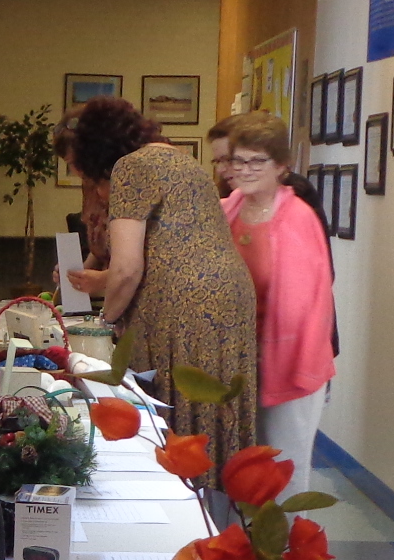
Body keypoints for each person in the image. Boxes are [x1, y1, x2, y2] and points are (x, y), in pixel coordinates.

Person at [62, 95, 259, 471]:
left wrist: (104, 324)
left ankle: (180, 486)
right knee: (213, 406)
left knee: (173, 404)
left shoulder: (130, 168)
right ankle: (215, 492)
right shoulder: (179, 159)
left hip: (185, 304)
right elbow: (166, 251)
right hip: (228, 296)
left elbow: (127, 269)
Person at [219, 112, 335, 484]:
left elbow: (310, 306)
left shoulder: (298, 218)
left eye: (258, 161)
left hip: (289, 360)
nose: (245, 169)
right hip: (237, 359)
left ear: (281, 166)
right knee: (236, 467)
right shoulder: (226, 210)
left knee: (283, 470)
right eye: (238, 160)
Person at [54, 108, 111, 272]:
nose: (75, 170)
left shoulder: (125, 182)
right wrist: (79, 273)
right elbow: (100, 250)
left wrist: (97, 280)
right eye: (70, 163)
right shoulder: (90, 185)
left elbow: (129, 266)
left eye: (75, 162)